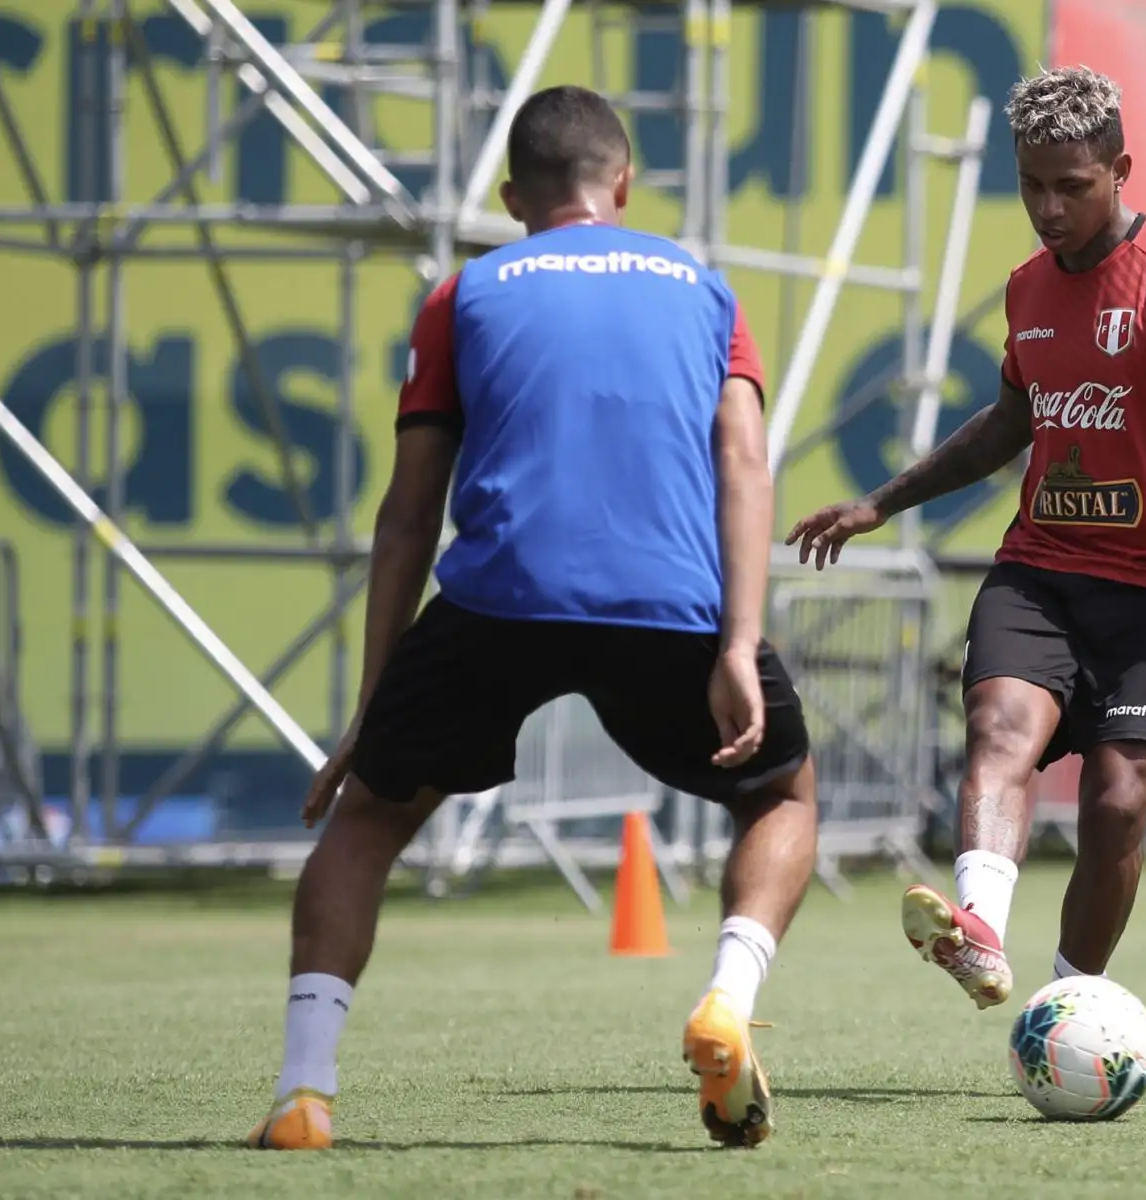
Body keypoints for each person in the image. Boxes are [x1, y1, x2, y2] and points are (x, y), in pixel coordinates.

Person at [247, 85, 815, 1152]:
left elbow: (410, 509)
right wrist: (738, 642)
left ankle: (302, 1094)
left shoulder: (461, 294)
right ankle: (729, 1002)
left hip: (498, 598)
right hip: (670, 605)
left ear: (514, 197)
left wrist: (376, 704)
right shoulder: (705, 291)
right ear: (626, 184)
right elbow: (743, 461)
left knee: (369, 818)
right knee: (783, 794)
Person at [787, 65, 1146, 1008]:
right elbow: (1005, 423)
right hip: (1042, 572)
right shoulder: (1028, 290)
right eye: (1031, 185)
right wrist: (880, 504)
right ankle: (979, 929)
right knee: (998, 730)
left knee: (1116, 806)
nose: (1049, 207)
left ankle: (1069, 1005)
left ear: (1121, 169)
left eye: (1073, 185)